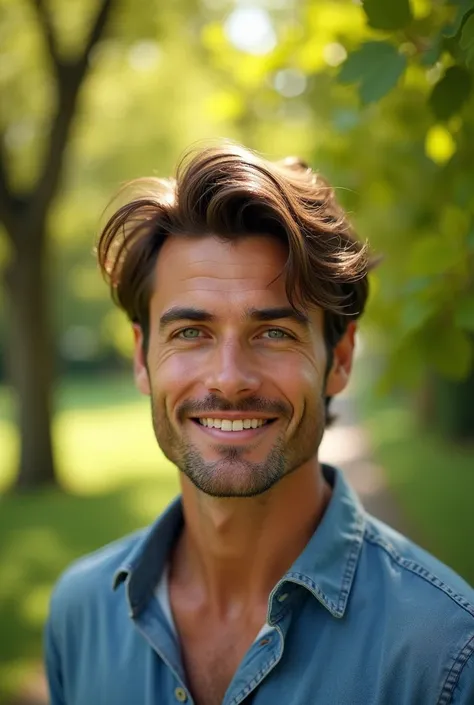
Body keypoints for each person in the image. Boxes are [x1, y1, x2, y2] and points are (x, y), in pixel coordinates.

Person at [44, 142, 474, 705]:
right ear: (141, 356)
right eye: (190, 333)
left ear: (338, 360)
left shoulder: (445, 655)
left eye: (274, 333)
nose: (228, 379)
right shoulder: (79, 616)